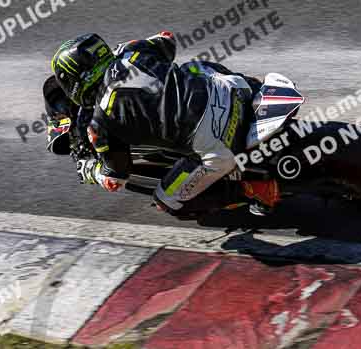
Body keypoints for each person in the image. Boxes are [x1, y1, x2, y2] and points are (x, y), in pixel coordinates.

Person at [45, 32, 280, 217]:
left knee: (166, 201)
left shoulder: (100, 123)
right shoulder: (132, 52)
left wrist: (89, 170)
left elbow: (115, 179)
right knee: (194, 67)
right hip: (234, 90)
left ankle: (252, 189)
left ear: (75, 79)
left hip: (220, 144)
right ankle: (258, 90)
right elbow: (167, 41)